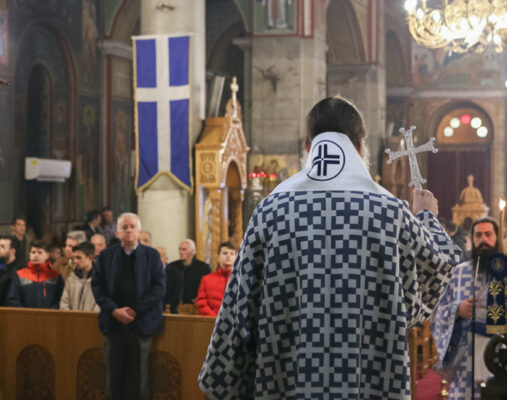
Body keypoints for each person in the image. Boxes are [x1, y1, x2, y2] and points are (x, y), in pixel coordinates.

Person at [199, 96, 462, 399]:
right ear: (361, 146)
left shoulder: (270, 210)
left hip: (287, 383)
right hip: (370, 383)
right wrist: (426, 216)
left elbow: (240, 311)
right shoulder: (390, 211)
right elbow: (438, 268)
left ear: (307, 146)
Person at [431, 217, 507, 400]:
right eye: (478, 235)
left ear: (498, 237)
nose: (483, 239)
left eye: (488, 234)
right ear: (472, 239)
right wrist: (457, 309)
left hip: (505, 354)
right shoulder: (458, 273)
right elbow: (437, 312)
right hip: (465, 359)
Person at [91, 212, 165, 400]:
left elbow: (158, 288)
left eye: (133, 227)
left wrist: (135, 310)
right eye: (124, 227)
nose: (129, 230)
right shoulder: (106, 256)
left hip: (141, 324)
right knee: (113, 378)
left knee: (139, 379)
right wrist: (113, 310)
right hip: (113, 324)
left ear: (139, 231)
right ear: (117, 233)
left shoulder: (152, 256)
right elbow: (97, 286)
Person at [7, 240, 64, 309]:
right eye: (33, 252)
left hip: (50, 315)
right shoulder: (19, 275)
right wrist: (25, 313)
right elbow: (13, 300)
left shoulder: (56, 276)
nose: (36, 255)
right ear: (29, 255)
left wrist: (49, 313)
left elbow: (61, 301)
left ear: (47, 255)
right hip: (24, 315)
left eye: (40, 252)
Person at [164, 239, 211, 314]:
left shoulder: (204, 268)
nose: (180, 252)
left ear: (193, 251)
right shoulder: (172, 266)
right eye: (180, 249)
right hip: (175, 307)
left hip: (196, 307)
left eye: (184, 249)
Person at [196, 242, 236, 316]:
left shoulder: (241, 280)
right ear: (218, 258)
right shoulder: (206, 279)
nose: (228, 256)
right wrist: (215, 318)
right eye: (225, 253)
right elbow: (202, 304)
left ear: (236, 258)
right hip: (212, 320)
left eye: (232, 254)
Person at [60, 242, 99, 311]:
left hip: (93, 317)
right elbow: (64, 303)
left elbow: (101, 304)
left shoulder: (101, 279)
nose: (75, 261)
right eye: (74, 258)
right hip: (72, 317)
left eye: (79, 258)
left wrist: (90, 316)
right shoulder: (71, 279)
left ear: (90, 257)